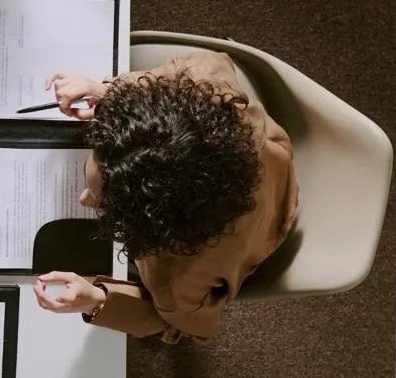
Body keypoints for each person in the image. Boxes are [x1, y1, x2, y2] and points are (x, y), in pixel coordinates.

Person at [32, 51, 299, 343]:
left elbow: (184, 326)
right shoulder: (209, 91)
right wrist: (110, 93)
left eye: (104, 204)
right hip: (271, 158)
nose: (84, 200)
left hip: (270, 227)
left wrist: (98, 301)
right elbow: (212, 61)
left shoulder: (178, 284)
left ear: (152, 223)